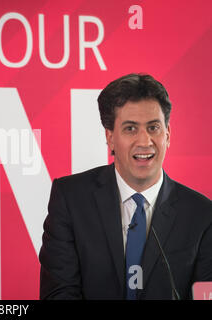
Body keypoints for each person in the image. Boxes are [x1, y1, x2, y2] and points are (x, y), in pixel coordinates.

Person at [39, 73, 212, 300]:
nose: (144, 141)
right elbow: (59, 294)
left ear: (168, 135)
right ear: (110, 138)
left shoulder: (202, 214)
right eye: (130, 128)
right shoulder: (71, 199)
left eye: (153, 128)